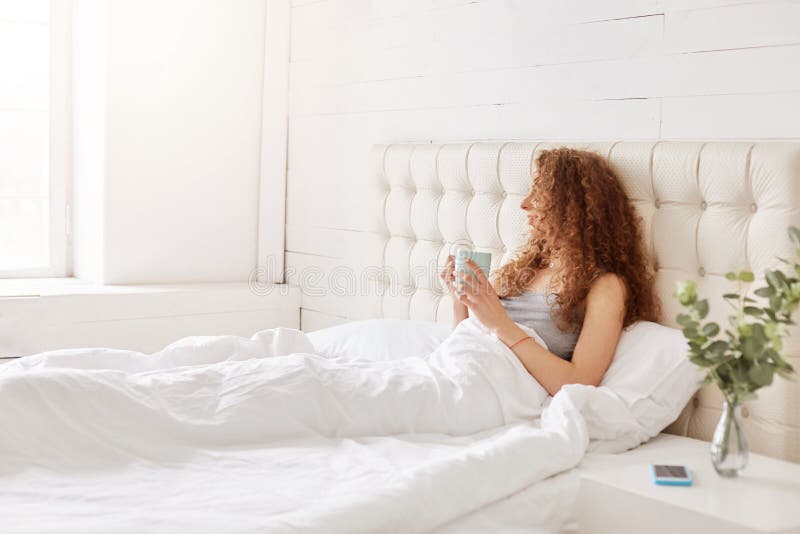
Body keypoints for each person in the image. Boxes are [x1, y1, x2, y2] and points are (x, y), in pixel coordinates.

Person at [440, 148, 660, 397]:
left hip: (495, 391)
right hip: (462, 372)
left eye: (540, 192)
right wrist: (460, 301)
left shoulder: (604, 286)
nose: (525, 204)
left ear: (571, 206)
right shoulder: (526, 268)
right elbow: (467, 342)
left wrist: (501, 324)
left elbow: (580, 382)